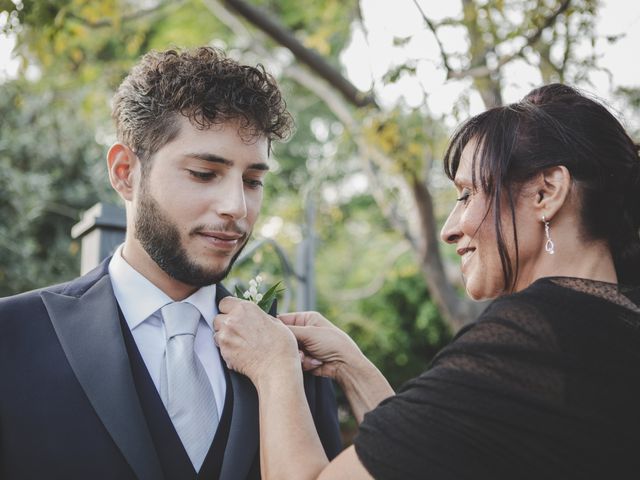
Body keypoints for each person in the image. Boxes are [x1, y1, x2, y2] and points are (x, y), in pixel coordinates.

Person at [213, 83, 640, 479]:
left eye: (468, 194)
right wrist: (352, 367)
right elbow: (429, 451)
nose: (450, 229)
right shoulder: (613, 327)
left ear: (546, 193)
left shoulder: (536, 337)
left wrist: (273, 367)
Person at [0, 47, 341, 479]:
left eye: (253, 181)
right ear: (125, 172)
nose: (237, 206)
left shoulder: (296, 358)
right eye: (204, 173)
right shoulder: (10, 337)